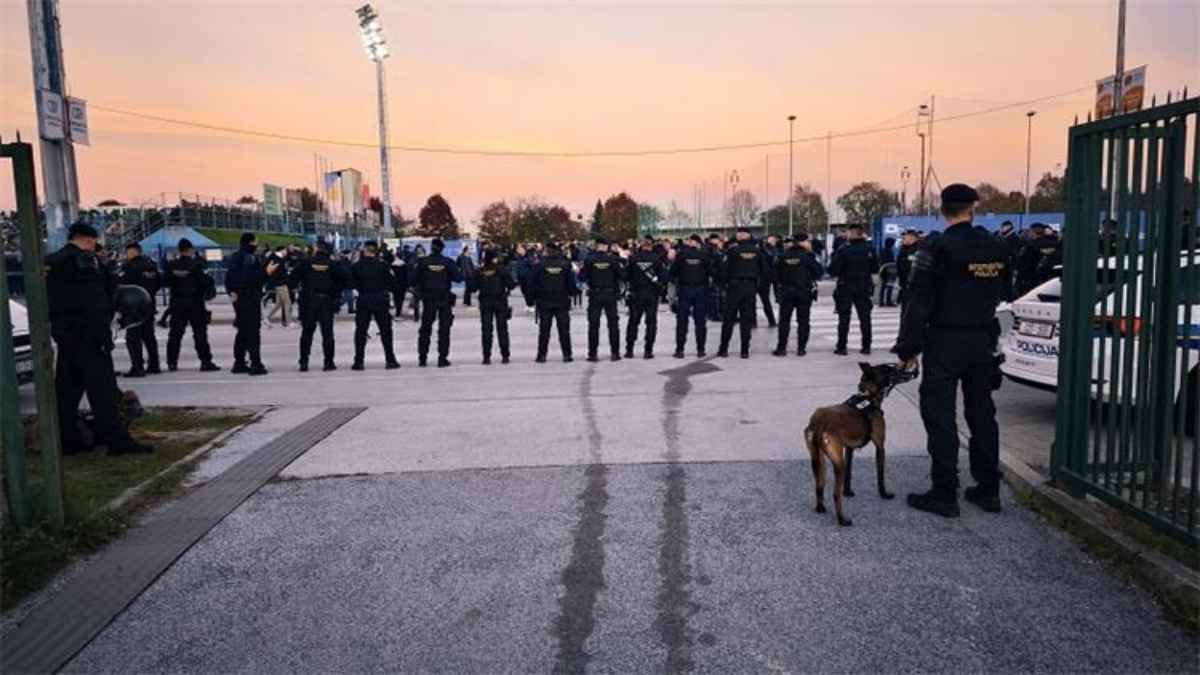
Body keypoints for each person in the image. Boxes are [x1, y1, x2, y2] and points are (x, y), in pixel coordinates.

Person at [895, 183, 1008, 517]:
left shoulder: (937, 247)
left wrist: (908, 348)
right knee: (983, 414)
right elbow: (1006, 287)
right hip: (983, 338)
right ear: (974, 208)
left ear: (943, 209)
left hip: (946, 340)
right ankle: (988, 491)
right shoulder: (997, 246)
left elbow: (919, 301)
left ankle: (945, 494)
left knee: (940, 415)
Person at [46, 222, 152, 455]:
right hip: (87, 334)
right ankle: (118, 442)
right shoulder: (84, 261)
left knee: (66, 392)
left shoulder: (52, 261)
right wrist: (104, 336)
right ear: (89, 240)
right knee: (103, 392)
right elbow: (93, 302)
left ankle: (69, 441)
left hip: (64, 333)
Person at [225, 232, 278, 375]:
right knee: (253, 332)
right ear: (251, 243)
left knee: (242, 331)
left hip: (239, 299)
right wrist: (267, 272)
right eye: (256, 243)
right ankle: (256, 363)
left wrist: (231, 291)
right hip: (249, 298)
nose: (257, 245)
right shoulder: (249, 259)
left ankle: (239, 362)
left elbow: (229, 277)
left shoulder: (235, 257)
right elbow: (252, 278)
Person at [164, 238, 220, 372]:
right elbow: (207, 282)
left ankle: (172, 362)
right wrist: (208, 293)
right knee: (200, 334)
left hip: (177, 303)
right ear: (190, 250)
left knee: (175, 334)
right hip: (195, 303)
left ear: (179, 250)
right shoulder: (196, 265)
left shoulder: (171, 265)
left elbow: (165, 282)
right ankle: (205, 362)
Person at [291, 240, 346, 372]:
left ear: (317, 249)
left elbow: (293, 279)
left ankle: (304, 362)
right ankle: (328, 362)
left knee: (307, 333)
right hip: (326, 301)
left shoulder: (305, 262)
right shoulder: (333, 264)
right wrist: (336, 294)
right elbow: (344, 279)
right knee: (327, 333)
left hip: (309, 301)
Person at [408, 238, 462, 367]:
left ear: (431, 248)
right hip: (444, 299)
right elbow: (458, 278)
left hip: (428, 299)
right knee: (444, 330)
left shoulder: (422, 262)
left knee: (425, 329)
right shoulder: (448, 262)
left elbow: (412, 280)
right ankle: (442, 358)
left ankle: (422, 358)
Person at [717, 227, 769, 358]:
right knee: (746, 320)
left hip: (734, 287)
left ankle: (724, 349)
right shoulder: (757, 252)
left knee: (729, 319)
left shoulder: (732, 251)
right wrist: (759, 286)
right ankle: (744, 350)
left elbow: (724, 271)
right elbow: (766, 271)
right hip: (750, 287)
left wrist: (723, 285)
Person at [827, 223, 879, 355]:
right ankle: (866, 346)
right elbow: (875, 268)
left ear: (852, 233)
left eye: (848, 233)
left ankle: (842, 346)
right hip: (864, 285)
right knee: (865, 318)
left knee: (844, 318)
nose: (846, 235)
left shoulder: (844, 249)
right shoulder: (870, 249)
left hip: (846, 286)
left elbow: (833, 270)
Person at [349, 240, 401, 371]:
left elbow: (350, 283)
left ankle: (359, 361)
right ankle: (390, 360)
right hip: (380, 300)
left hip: (364, 299)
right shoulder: (383, 266)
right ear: (376, 251)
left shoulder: (356, 266)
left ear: (365, 250)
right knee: (385, 331)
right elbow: (394, 283)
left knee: (361, 331)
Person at [772, 234, 824, 357]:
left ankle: (781, 348)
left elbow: (774, 274)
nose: (810, 244)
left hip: (787, 291)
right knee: (803, 321)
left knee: (784, 321)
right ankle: (801, 348)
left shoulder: (782, 256)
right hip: (804, 292)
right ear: (802, 242)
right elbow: (819, 272)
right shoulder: (808, 256)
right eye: (808, 241)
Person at [118, 242, 162, 377]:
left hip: (133, 307)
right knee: (149, 335)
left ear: (131, 252)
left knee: (133, 337)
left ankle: (137, 366)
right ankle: (154, 364)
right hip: (149, 304)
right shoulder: (151, 266)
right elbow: (159, 283)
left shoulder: (128, 267)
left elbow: (121, 285)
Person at [579, 235, 624, 362]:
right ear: (606, 246)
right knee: (613, 325)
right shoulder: (613, 260)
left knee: (593, 325)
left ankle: (593, 353)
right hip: (610, 294)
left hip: (595, 294)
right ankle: (615, 353)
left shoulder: (589, 260)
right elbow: (622, 275)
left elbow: (582, 277)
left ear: (596, 245)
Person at [532, 240, 577, 363]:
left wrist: (536, 298)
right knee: (564, 330)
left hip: (545, 301)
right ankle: (567, 355)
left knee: (544, 331)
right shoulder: (565, 265)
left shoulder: (540, 266)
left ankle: (541, 355)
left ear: (546, 251)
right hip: (561, 301)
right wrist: (571, 294)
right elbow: (571, 285)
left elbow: (534, 284)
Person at [472, 248, 518, 364]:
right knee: (502, 329)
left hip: (485, 302)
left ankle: (486, 357)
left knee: (486, 330)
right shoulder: (501, 270)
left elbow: (472, 288)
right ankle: (505, 355)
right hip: (500, 301)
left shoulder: (479, 271)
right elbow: (511, 285)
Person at [670, 234, 712, 358]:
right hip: (701, 290)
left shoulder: (681, 256)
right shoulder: (705, 256)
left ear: (689, 243)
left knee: (682, 321)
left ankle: (680, 350)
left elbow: (672, 273)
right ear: (698, 244)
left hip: (685, 290)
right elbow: (712, 272)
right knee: (700, 322)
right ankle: (701, 350)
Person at [624, 235, 666, 359]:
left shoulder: (633, 258)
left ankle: (629, 350)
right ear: (652, 246)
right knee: (651, 323)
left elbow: (626, 276)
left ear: (641, 245)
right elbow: (664, 277)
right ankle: (648, 350)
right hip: (651, 294)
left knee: (633, 322)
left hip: (636, 294)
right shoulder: (657, 259)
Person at [1015, 222, 1061, 296]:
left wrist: (1019, 282)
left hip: (1033, 282)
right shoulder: (1055, 245)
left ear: (1033, 232)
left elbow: (1025, 266)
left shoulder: (1030, 246)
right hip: (1051, 281)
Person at [265, 246, 293, 328]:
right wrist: (287, 275)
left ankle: (267, 319)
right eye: (286, 250)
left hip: (278, 283)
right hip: (280, 283)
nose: (286, 252)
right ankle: (288, 322)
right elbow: (278, 272)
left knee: (279, 303)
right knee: (288, 302)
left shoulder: (277, 258)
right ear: (282, 250)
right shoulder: (277, 259)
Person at [756, 235, 779, 328]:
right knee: (765, 301)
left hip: (763, 279)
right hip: (763, 279)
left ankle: (770, 320)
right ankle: (771, 320)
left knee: (764, 301)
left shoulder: (769, 251)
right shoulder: (766, 252)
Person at [997, 220, 1022, 301]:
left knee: (1008, 284)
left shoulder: (1012, 238)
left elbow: (1013, 252)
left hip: (1009, 265)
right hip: (1008, 264)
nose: (1002, 229)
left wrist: (1015, 267)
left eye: (1003, 227)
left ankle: (1008, 298)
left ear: (1008, 226)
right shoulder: (1006, 237)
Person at [896, 230, 921, 309]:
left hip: (913, 283)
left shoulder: (918, 249)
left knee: (911, 307)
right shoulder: (904, 248)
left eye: (904, 238)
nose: (902, 240)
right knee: (905, 306)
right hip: (904, 281)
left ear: (912, 238)